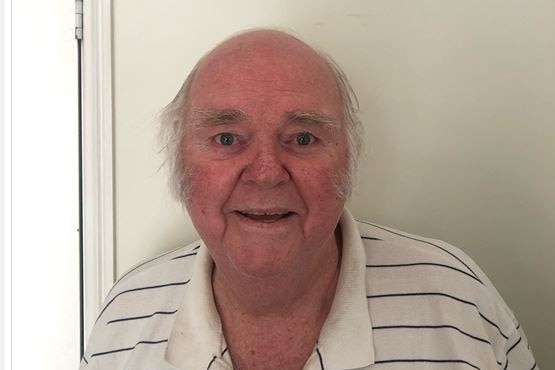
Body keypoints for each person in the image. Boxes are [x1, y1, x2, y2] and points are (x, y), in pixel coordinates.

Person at [80, 29, 538, 370]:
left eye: (302, 138)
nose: (265, 173)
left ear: (348, 160)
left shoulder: (457, 301)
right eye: (225, 138)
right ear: (179, 162)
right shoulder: (125, 318)